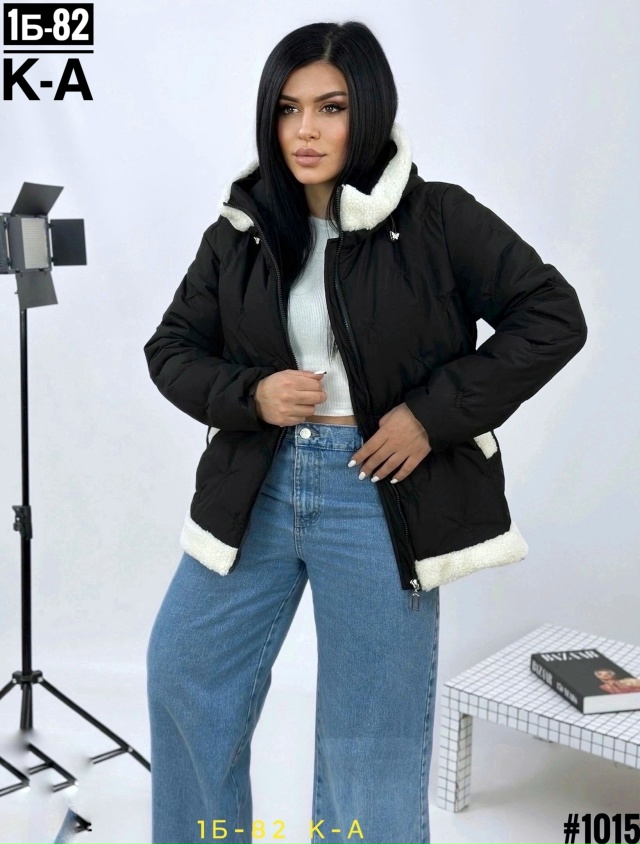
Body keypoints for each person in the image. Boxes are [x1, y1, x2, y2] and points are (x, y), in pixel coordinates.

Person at [142, 20, 588, 844]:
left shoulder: (438, 218)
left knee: (368, 738)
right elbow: (169, 349)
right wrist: (251, 394)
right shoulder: (240, 232)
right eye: (288, 109)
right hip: (256, 487)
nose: (305, 131)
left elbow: (552, 316)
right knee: (183, 673)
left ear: (369, 110)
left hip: (376, 492)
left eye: (331, 107)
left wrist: (429, 416)